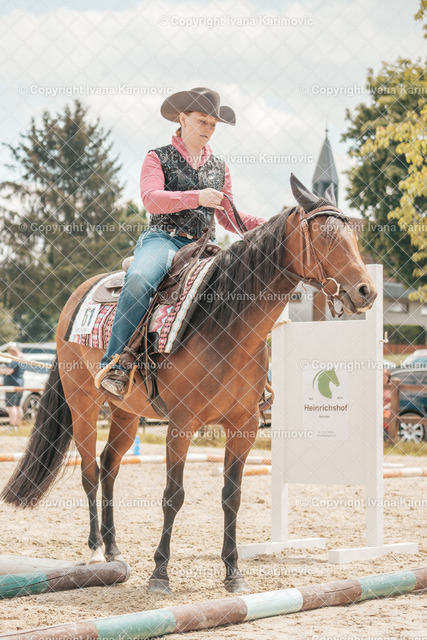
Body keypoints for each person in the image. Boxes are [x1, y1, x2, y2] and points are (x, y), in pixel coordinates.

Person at [99, 87, 266, 398]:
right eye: (202, 121)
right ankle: (116, 364)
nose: (208, 129)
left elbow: (229, 218)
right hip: (164, 239)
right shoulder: (157, 157)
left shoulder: (220, 168)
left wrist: (267, 226)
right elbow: (151, 200)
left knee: (243, 288)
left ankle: (253, 377)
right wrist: (196, 197)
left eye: (213, 124)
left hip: (205, 247)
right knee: (139, 279)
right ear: (182, 118)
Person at [0, 345, 25, 428]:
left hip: (12, 385)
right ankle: (18, 424)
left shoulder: (14, 361)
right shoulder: (22, 360)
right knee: (18, 405)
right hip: (20, 384)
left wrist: (1, 370)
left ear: (12, 352)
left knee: (11, 406)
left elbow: (9, 371)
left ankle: (12, 425)